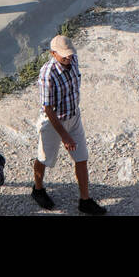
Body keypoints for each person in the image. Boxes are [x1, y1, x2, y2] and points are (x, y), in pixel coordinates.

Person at [31, 34, 106, 214]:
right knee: (44, 158)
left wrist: (70, 129)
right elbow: (48, 109)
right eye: (63, 55)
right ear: (53, 53)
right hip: (53, 123)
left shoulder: (74, 60)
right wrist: (64, 136)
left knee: (81, 158)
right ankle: (38, 189)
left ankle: (85, 200)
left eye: (69, 53)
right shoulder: (47, 75)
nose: (68, 57)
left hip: (73, 116)